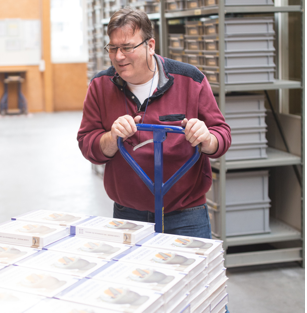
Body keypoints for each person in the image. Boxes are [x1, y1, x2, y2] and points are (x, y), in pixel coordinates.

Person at [77, 8, 231, 239]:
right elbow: (87, 143)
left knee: (189, 276)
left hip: (186, 215)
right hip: (127, 215)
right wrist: (111, 138)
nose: (118, 56)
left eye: (127, 47)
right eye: (113, 48)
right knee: (131, 275)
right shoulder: (100, 86)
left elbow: (223, 135)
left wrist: (207, 138)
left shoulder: (191, 80)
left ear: (150, 45)